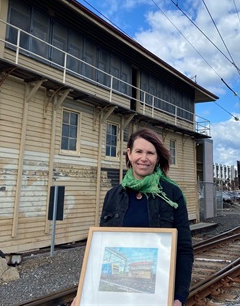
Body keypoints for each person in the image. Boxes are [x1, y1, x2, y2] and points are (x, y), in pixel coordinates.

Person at [74, 128, 194, 306]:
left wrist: (179, 297)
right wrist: (85, 293)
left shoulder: (171, 195)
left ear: (157, 158)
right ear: (129, 154)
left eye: (150, 153)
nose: (144, 158)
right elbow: (100, 251)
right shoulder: (113, 196)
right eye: (139, 151)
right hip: (116, 297)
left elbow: (184, 249)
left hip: (159, 295)